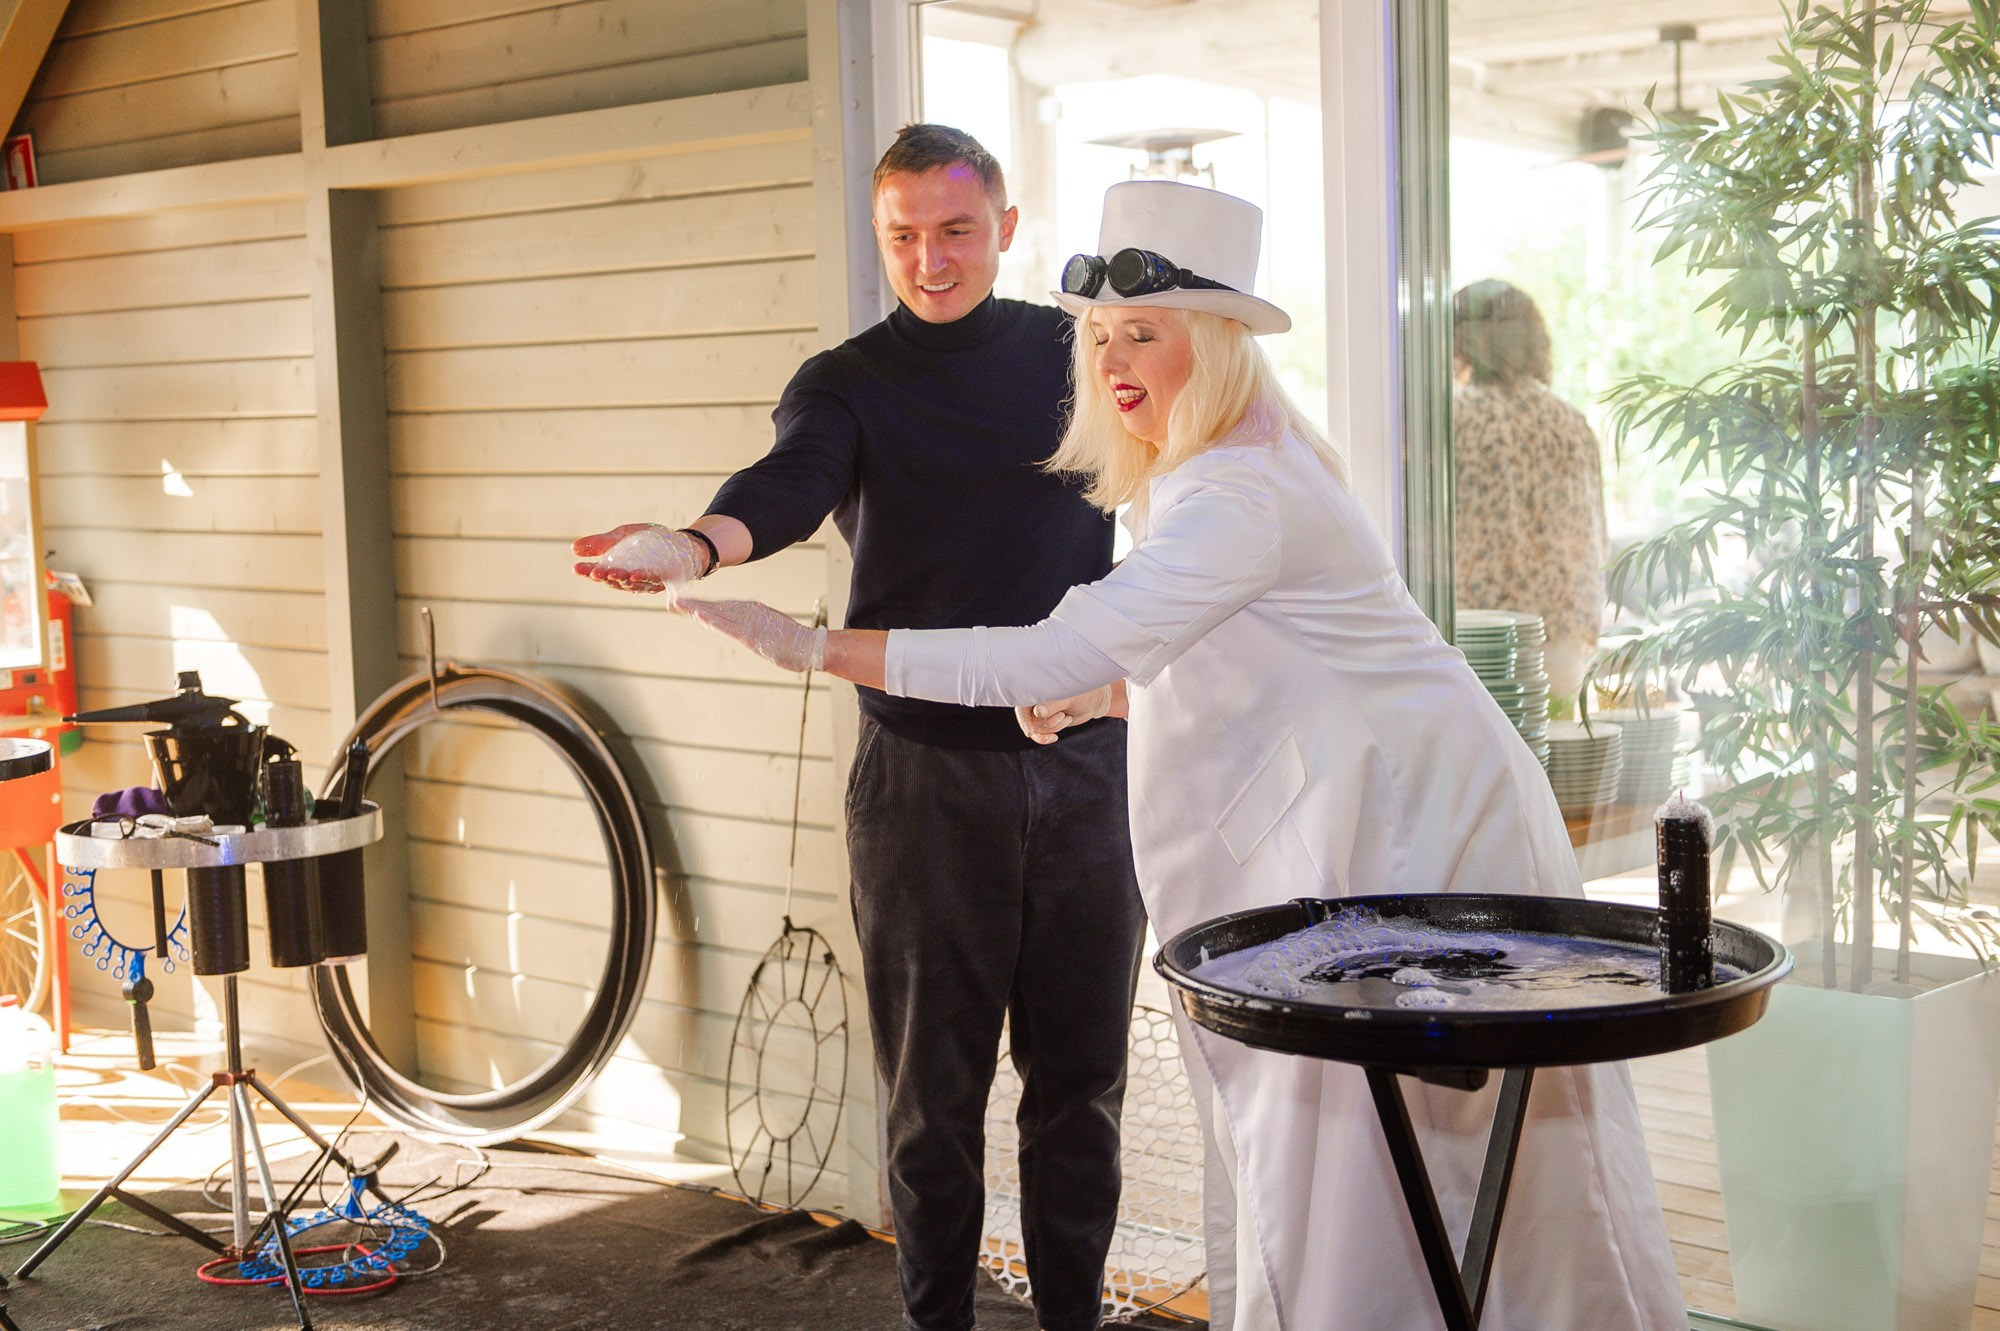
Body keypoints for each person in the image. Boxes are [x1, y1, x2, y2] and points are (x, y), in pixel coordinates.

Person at [676, 180, 1685, 1331]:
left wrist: (813, 646)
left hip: (1421, 831)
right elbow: (1245, 647)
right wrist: (1109, 689)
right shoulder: (1209, 462)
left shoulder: (1238, 489)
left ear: (1211, 339)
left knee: (1407, 1159)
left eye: (1143, 334)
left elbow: (1044, 647)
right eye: (1099, 335)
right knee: (1358, 1154)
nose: (1111, 360)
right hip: (1366, 822)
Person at [571, 125, 1145, 1331]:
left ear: (1004, 228)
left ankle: (1072, 1320)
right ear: (879, 236)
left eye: (955, 231)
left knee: (1080, 1090)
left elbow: (1177, 475)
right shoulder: (847, 382)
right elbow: (789, 481)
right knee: (932, 1100)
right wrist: (697, 543)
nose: (929, 261)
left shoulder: (1075, 352)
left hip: (1090, 769)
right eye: (902, 236)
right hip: (924, 783)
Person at [1452, 278, 1610, 705]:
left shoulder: (1450, 419)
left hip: (1476, 634)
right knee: (1554, 745)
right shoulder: (1569, 421)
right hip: (1559, 631)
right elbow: (1595, 537)